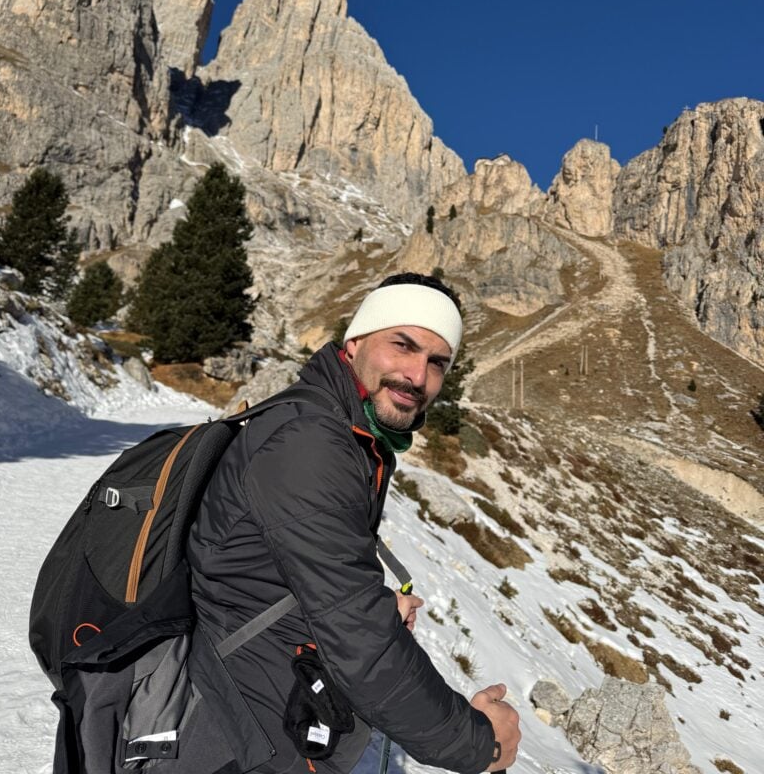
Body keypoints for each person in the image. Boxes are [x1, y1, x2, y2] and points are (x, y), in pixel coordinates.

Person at [187, 272, 521, 774]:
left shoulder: (345, 429)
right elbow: (356, 633)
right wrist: (476, 742)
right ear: (357, 341)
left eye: (437, 363)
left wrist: (371, 603)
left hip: (267, 703)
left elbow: (294, 574)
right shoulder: (310, 442)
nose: (416, 375)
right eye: (403, 345)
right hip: (237, 731)